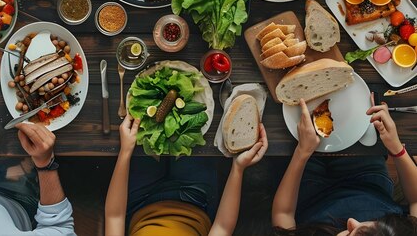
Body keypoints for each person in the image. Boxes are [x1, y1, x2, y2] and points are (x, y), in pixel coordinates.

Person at [271, 98, 417, 235]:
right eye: (376, 223)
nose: (351, 221)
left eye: (349, 233)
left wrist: (302, 152)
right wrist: (396, 148)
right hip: (367, 181)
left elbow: (283, 215)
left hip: (309, 195)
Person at [105, 114, 268, 236]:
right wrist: (238, 168)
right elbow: (223, 227)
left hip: (140, 202)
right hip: (194, 198)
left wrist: (125, 150)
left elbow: (114, 217)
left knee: (142, 121)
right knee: (199, 120)